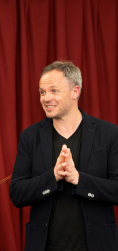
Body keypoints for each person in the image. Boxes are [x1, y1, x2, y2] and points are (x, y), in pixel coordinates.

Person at [9, 61, 118, 251]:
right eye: (42, 92)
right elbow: (17, 194)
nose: (46, 98)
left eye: (53, 91)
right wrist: (53, 177)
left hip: (97, 245)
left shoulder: (109, 133)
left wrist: (79, 179)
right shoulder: (30, 136)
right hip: (45, 246)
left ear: (75, 92)